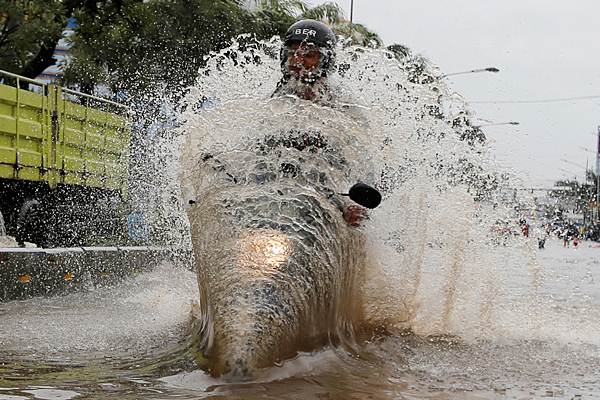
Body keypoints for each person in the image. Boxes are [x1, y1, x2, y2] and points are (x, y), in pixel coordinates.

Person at [272, 19, 370, 227]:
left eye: (308, 55)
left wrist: (351, 203)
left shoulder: (344, 106)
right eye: (292, 53)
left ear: (325, 60)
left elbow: (362, 158)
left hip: (328, 201)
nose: (297, 61)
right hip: (276, 199)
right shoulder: (274, 100)